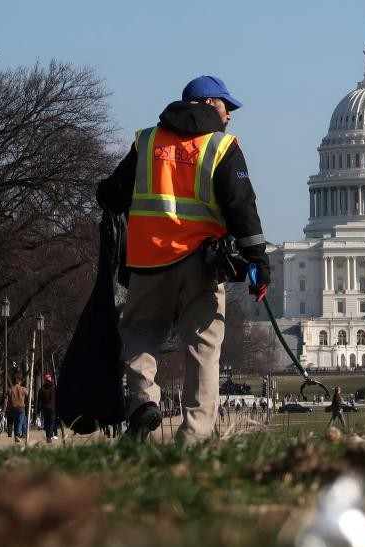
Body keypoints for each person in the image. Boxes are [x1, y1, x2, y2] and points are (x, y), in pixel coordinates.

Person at [97, 76, 270, 444]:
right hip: (201, 265)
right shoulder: (221, 147)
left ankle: (144, 399)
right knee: (203, 348)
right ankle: (193, 436)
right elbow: (242, 208)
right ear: (209, 104)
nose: (230, 115)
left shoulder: (146, 141)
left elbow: (112, 195)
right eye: (227, 106)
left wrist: (106, 193)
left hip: (148, 262)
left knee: (140, 333)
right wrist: (257, 259)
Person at [7, 376, 28, 443]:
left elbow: (7, 400)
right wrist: (27, 404)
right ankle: (17, 435)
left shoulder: (10, 389)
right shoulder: (24, 389)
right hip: (21, 407)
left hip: (13, 407)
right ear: (19, 382)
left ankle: (22, 434)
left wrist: (7, 409)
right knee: (19, 422)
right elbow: (28, 397)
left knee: (19, 421)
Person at [37, 373, 57, 443]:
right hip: (52, 407)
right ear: (50, 379)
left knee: (47, 423)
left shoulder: (41, 389)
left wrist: (39, 409)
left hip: (44, 408)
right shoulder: (54, 387)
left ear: (45, 380)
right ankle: (50, 436)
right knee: (51, 423)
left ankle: (48, 436)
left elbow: (39, 400)